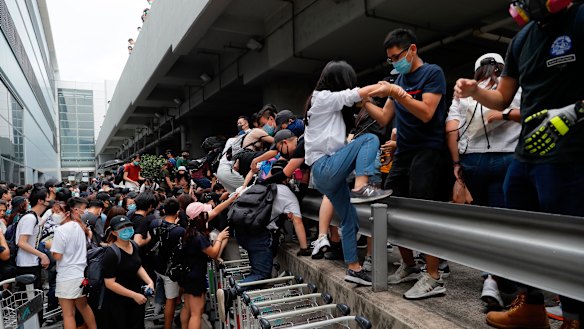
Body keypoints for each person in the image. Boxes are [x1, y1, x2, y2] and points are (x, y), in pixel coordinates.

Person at [454, 1, 583, 328]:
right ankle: (532, 306)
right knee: (518, 225)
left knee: (566, 234)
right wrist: (474, 92)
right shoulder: (522, 39)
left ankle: (574, 318)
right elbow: (502, 97)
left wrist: (570, 114)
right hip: (529, 150)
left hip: (571, 149)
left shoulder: (580, 18)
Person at [364, 28, 450, 299]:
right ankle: (410, 265)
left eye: (396, 56)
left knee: (423, 210)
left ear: (412, 50)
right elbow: (384, 117)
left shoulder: (432, 73)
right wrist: (364, 99)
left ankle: (434, 276)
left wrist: (398, 92)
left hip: (428, 149)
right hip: (404, 151)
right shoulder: (398, 78)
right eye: (390, 59)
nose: (394, 62)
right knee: (390, 205)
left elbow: (426, 112)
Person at [303, 60, 392, 286]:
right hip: (325, 167)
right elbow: (352, 95)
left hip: (326, 173)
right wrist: (386, 88)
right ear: (340, 81)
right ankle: (361, 186)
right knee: (370, 138)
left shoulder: (327, 106)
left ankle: (354, 268)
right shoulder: (321, 97)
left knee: (350, 219)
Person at [179, 204, 230, 329]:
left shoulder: (189, 230)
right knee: (197, 313)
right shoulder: (198, 236)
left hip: (186, 275)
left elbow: (215, 211)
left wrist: (232, 198)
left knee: (187, 307)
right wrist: (219, 238)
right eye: (205, 213)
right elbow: (212, 253)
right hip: (196, 277)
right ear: (199, 216)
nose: (207, 215)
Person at [51, 197, 97, 329]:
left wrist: (50, 247)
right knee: (83, 307)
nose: (55, 214)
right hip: (80, 274)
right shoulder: (80, 227)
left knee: (68, 314)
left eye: (57, 211)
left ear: (67, 212)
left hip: (66, 275)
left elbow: (57, 255)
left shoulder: (61, 230)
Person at [101, 215, 154, 329]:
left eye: (129, 226)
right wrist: (133, 295)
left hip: (137, 298)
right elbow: (110, 283)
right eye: (122, 228)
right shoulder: (111, 253)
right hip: (118, 302)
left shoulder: (134, 245)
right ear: (114, 233)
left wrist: (149, 282)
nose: (127, 230)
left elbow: (137, 266)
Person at [150, 198, 185, 329]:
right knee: (170, 299)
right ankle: (168, 326)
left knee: (163, 288)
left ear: (164, 210)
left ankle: (158, 306)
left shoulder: (154, 224)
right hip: (170, 270)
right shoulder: (179, 231)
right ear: (178, 212)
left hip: (157, 265)